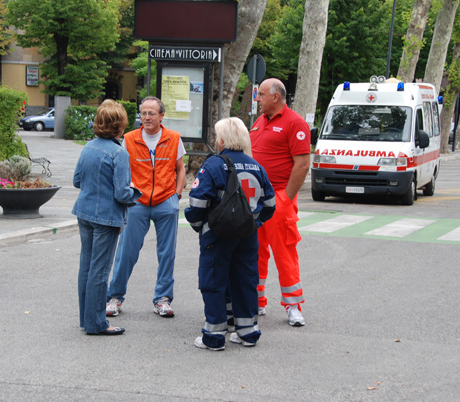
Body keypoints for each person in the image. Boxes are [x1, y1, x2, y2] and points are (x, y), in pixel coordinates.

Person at [185, 117, 275, 351]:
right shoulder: (256, 166)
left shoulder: (214, 165)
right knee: (245, 281)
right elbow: (270, 205)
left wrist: (200, 227)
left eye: (217, 136)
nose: (216, 140)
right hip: (247, 235)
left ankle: (213, 337)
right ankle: (248, 332)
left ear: (223, 139)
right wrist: (254, 224)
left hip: (218, 234)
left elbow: (197, 204)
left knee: (213, 281)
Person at [106, 96, 186, 318]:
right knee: (126, 252)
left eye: (152, 113)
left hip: (166, 202)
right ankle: (114, 297)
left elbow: (181, 169)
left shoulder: (174, 138)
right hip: (137, 202)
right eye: (143, 113)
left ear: (162, 116)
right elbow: (120, 170)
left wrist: (177, 195)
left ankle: (162, 299)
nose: (147, 117)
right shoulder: (129, 139)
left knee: (167, 253)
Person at [72, 100, 141, 336]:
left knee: (86, 267)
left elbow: (77, 181)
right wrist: (136, 192)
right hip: (106, 217)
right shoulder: (119, 153)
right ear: (119, 126)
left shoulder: (88, 147)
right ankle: (97, 323)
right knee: (100, 271)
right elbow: (122, 193)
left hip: (84, 211)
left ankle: (86, 318)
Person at [250, 78, 311, 327]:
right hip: (256, 198)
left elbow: (303, 164)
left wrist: (285, 198)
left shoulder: (295, 123)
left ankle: (293, 305)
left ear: (276, 97)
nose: (258, 99)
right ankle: (256, 300)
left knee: (284, 251)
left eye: (261, 94)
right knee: (255, 250)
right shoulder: (259, 121)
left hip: (278, 197)